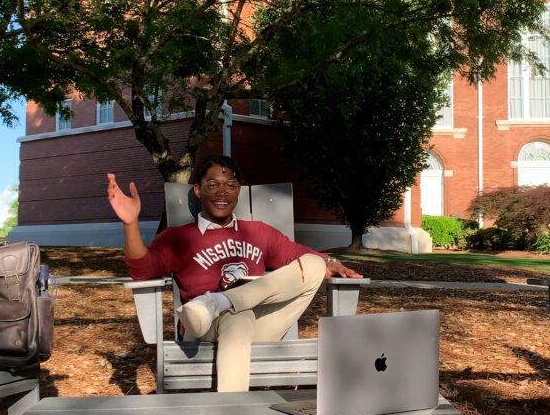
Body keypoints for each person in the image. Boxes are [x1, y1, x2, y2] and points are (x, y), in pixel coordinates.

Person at [107, 154, 363, 393]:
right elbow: (143, 270)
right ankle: (232, 403)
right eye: (213, 184)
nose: (222, 192)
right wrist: (130, 223)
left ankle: (221, 301)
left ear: (239, 191)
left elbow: (299, 255)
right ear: (198, 189)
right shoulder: (180, 237)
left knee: (313, 265)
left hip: (257, 323)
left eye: (230, 185)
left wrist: (330, 261)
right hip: (205, 326)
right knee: (236, 318)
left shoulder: (259, 232)